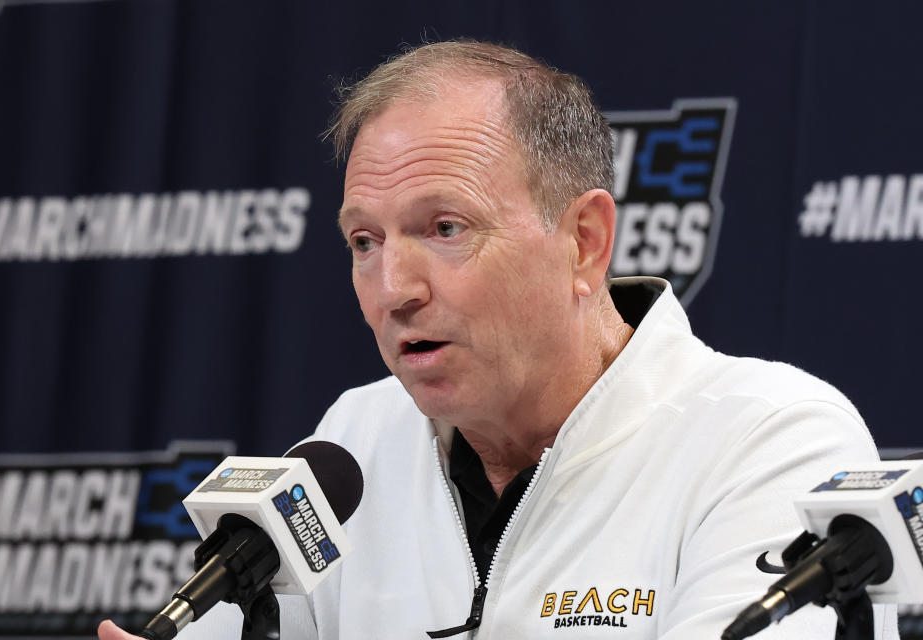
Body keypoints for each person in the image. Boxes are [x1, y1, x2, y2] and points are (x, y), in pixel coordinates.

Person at [99, 41, 899, 640]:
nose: (392, 290)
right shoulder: (352, 440)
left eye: (445, 228)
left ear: (583, 241)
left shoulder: (771, 438)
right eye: (364, 242)